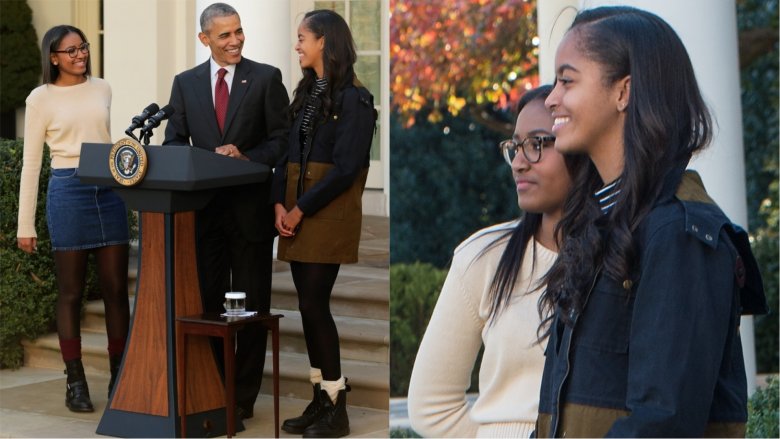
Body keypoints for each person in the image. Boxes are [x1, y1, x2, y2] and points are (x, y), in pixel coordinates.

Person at [535, 6, 767, 437]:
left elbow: (662, 423)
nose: (550, 98)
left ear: (624, 91)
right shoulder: (600, 223)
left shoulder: (680, 232)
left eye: (567, 80)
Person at [407, 85, 575, 438]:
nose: (518, 162)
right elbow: (430, 407)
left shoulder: (624, 257)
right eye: (515, 146)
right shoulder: (484, 256)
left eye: (538, 143)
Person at [163, 2, 290, 420]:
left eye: (238, 31)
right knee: (211, 309)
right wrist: (203, 159)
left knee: (251, 309)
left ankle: (241, 399)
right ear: (205, 40)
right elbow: (174, 142)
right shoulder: (185, 84)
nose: (235, 40)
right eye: (224, 35)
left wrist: (247, 154)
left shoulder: (267, 78)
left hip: (250, 216)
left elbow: (283, 142)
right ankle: (216, 391)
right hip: (205, 216)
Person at [272, 9, 376, 438]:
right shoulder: (307, 92)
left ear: (324, 42)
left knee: (315, 305)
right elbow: (286, 152)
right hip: (297, 209)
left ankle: (336, 405)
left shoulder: (355, 98)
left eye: (302, 38)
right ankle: (322, 397)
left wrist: (300, 208)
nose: (297, 45)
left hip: (325, 214)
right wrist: (279, 202)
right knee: (307, 307)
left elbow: (347, 167)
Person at [17, 25, 130, 413]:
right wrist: (25, 224)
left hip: (108, 188)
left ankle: (120, 375)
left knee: (116, 288)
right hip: (67, 190)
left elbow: (105, 138)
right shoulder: (40, 98)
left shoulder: (103, 88)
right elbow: (32, 163)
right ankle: (75, 382)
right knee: (70, 291)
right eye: (70, 50)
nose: (80, 54)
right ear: (53, 57)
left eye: (82, 47)